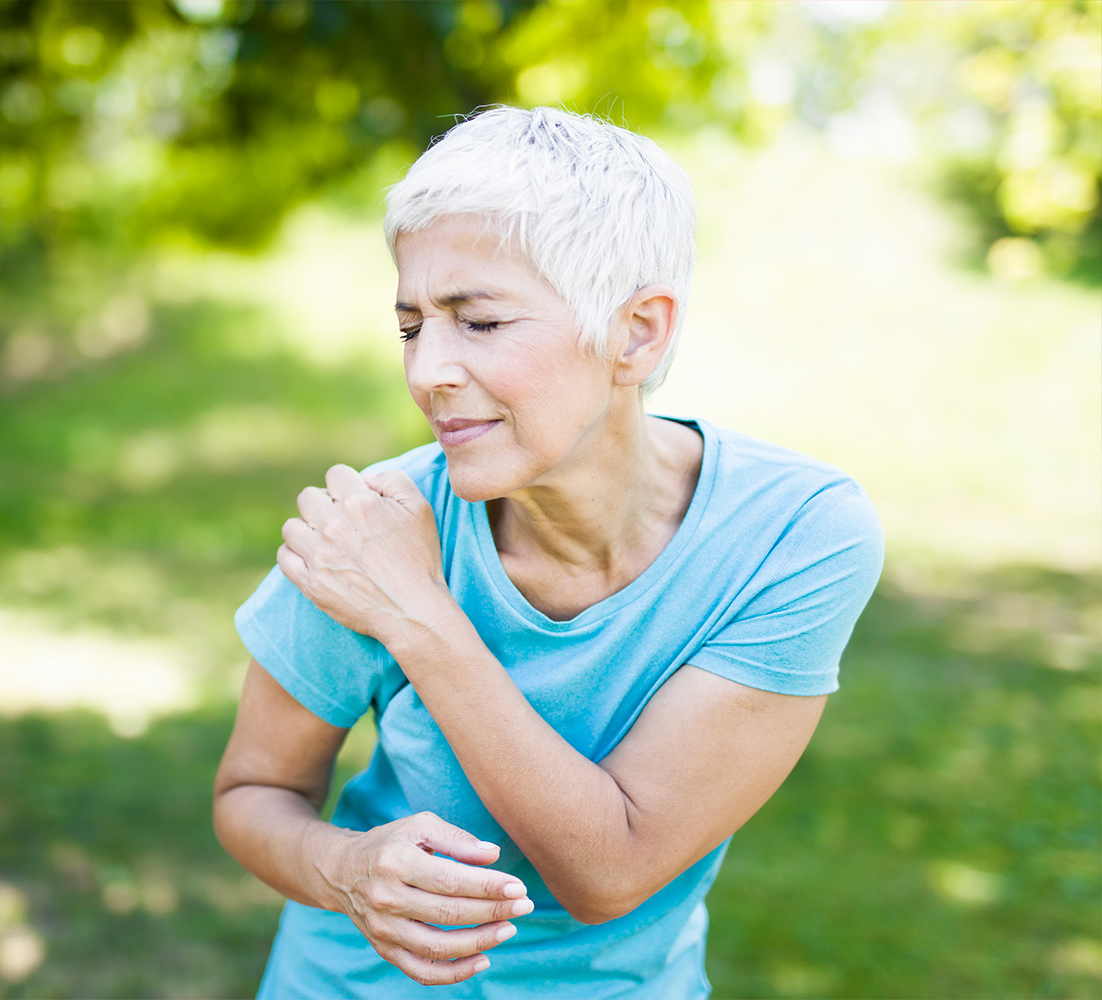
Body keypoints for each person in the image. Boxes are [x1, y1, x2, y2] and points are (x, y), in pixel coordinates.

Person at [212, 106, 883, 998]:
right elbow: (252, 792)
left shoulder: (794, 536)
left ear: (637, 333)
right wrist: (347, 868)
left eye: (479, 322)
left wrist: (418, 618)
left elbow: (611, 869)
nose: (427, 373)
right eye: (411, 325)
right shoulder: (373, 528)